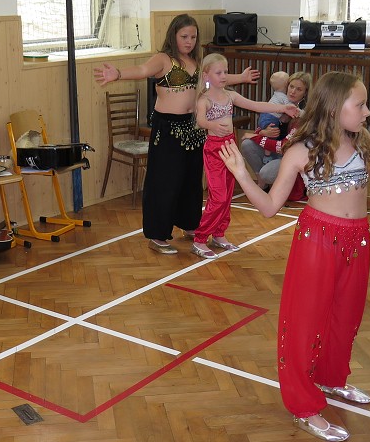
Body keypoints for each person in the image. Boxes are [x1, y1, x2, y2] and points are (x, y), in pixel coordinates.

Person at [218, 71, 370, 442]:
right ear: (332, 107)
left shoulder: (362, 143)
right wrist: (241, 176)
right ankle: (304, 405)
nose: (367, 112)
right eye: (359, 105)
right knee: (305, 322)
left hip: (358, 239)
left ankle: (330, 379)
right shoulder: (301, 151)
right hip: (318, 241)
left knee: (345, 317)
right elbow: (268, 207)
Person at [94, 13, 259, 255]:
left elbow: (214, 79)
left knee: (191, 180)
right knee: (164, 181)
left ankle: (190, 223)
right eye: (184, 36)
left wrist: (241, 78)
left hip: (193, 126)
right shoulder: (164, 59)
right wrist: (117, 74)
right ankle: (158, 234)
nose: (189, 41)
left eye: (193, 36)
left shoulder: (197, 61)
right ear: (174, 35)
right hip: (168, 128)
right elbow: (141, 69)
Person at [192, 54, 299, 259]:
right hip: (214, 150)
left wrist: (282, 107)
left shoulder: (230, 96)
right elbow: (201, 121)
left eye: (225, 72)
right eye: (219, 72)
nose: (224, 76)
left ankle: (219, 234)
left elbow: (256, 105)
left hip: (230, 147)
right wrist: (212, 125)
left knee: (228, 193)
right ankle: (199, 238)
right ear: (206, 75)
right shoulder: (204, 100)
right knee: (219, 195)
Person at [241, 72, 312, 192]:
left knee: (267, 173)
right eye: (291, 86)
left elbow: (283, 147)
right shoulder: (279, 102)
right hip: (275, 151)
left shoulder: (302, 114)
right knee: (247, 144)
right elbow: (264, 125)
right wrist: (262, 133)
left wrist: (256, 137)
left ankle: (276, 184)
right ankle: (262, 182)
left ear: (305, 93)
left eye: (298, 89)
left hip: (288, 156)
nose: (293, 91)